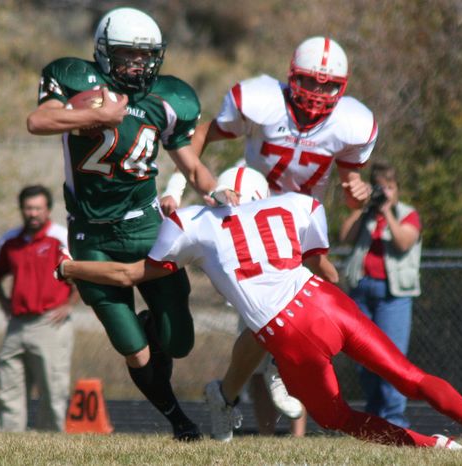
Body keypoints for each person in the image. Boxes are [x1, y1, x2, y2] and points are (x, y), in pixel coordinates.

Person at [57, 166, 462, 452]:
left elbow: (128, 275)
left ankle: (432, 445)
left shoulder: (191, 223)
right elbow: (322, 266)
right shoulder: (298, 204)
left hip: (287, 332)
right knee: (411, 377)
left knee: (336, 416)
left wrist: (72, 266)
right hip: (325, 302)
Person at [26, 7, 234, 440]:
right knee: (131, 347)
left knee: (179, 342)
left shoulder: (170, 97)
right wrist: (94, 117)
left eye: (146, 55)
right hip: (90, 231)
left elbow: (192, 167)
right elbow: (39, 120)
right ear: (103, 52)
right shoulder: (74, 78)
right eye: (127, 55)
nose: (137, 64)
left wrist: (215, 192)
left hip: (146, 227)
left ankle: (154, 328)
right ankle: (179, 421)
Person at [160, 35, 377, 437]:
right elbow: (202, 134)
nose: (318, 92)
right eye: (310, 81)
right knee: (281, 314)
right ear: (292, 77)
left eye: (328, 85)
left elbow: (351, 190)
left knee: (309, 299)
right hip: (255, 217)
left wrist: (357, 194)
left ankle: (230, 394)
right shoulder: (262, 102)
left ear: (342, 88)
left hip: (303, 222)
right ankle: (272, 373)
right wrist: (176, 186)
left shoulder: (352, 124)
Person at [0, 185, 77, 432]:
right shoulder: (10, 241)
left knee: (52, 388)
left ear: (47, 210)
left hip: (50, 322)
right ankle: (7, 440)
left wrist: (70, 303)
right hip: (17, 324)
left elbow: (85, 273)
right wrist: (4, 303)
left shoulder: (61, 237)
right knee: (9, 384)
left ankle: (53, 441)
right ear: (21, 209)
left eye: (38, 208)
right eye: (28, 208)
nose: (33, 213)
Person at [340, 162, 421, 428]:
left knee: (392, 360)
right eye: (379, 187)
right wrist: (363, 208)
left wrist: (388, 212)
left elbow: (403, 242)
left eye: (390, 187)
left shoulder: (407, 214)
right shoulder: (367, 215)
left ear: (397, 189)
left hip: (393, 295)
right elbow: (344, 236)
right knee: (365, 360)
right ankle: (374, 420)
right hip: (361, 292)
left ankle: (394, 422)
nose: (384, 192)